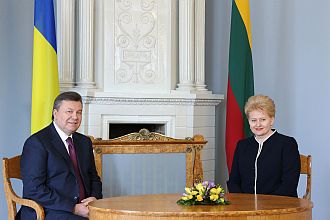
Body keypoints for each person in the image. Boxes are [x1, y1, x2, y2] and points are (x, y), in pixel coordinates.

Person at [17, 91, 102, 220]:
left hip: (84, 208)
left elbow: (94, 179)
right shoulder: (37, 143)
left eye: (79, 112)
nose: (75, 117)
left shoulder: (84, 142)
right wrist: (73, 207)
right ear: (55, 113)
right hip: (49, 210)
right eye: (69, 111)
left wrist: (94, 199)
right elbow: (34, 190)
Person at [227, 95, 300, 197]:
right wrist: (243, 202)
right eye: (253, 120)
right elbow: (233, 181)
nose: (258, 124)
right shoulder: (242, 146)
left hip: (279, 207)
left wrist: (267, 205)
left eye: (263, 119)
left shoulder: (287, 144)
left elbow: (289, 184)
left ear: (271, 120)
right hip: (246, 207)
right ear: (248, 121)